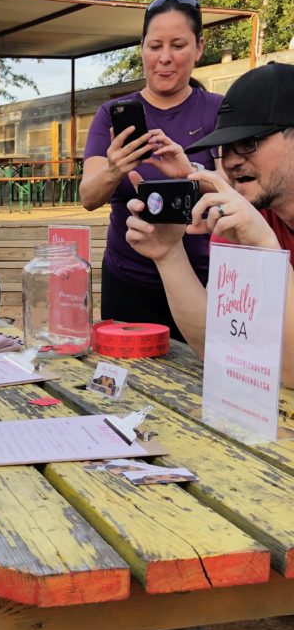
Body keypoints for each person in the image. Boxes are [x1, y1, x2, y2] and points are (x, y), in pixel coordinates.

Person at [125, 62, 294, 388]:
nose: (231, 160)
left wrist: (267, 252)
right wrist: (168, 254)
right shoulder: (245, 217)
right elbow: (222, 346)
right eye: (224, 147)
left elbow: (291, 373)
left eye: (249, 142)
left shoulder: (255, 228)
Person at [79, 0, 222, 338]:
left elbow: (239, 196)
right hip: (128, 279)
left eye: (178, 45)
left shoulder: (219, 111)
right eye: (155, 46)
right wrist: (114, 168)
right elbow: (88, 196)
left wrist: (191, 174)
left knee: (199, 380)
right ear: (141, 47)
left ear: (199, 47)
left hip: (205, 279)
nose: (165, 58)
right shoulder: (110, 115)